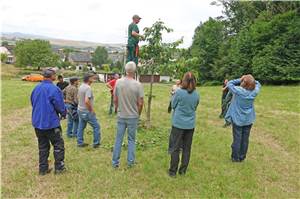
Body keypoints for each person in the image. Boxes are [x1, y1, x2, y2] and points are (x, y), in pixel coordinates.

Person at [31, 68, 66, 175]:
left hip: (38, 122)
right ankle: (59, 168)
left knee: (42, 146)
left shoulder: (36, 88)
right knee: (58, 145)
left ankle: (43, 169)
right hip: (51, 123)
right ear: (52, 76)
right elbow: (59, 105)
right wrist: (64, 113)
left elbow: (33, 102)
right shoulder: (54, 89)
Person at [112, 61, 144, 168]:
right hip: (133, 116)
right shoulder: (138, 85)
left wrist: (117, 109)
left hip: (121, 115)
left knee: (118, 139)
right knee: (131, 140)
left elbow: (115, 99)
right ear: (134, 71)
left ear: (125, 70)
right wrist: (138, 114)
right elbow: (140, 103)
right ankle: (130, 162)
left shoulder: (118, 82)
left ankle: (115, 162)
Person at [168, 72, 200, 177]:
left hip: (178, 124)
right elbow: (195, 107)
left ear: (184, 80)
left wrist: (173, 95)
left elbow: (173, 105)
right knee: (187, 148)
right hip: (190, 125)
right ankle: (183, 171)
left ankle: (173, 171)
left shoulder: (179, 92)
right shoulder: (196, 94)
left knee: (175, 148)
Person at [225, 74, 261, 162]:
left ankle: (235, 157)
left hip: (238, 119)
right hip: (249, 119)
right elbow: (258, 83)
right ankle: (242, 157)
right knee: (245, 139)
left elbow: (229, 83)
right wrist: (252, 80)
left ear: (244, 83)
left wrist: (241, 78)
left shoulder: (239, 91)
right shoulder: (255, 92)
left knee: (237, 139)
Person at [77, 73, 101, 148]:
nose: (93, 79)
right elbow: (87, 101)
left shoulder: (81, 86)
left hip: (80, 109)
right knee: (96, 126)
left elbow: (78, 97)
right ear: (88, 79)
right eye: (92, 78)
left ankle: (80, 142)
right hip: (86, 111)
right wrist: (91, 110)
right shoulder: (88, 88)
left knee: (81, 127)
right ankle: (96, 143)